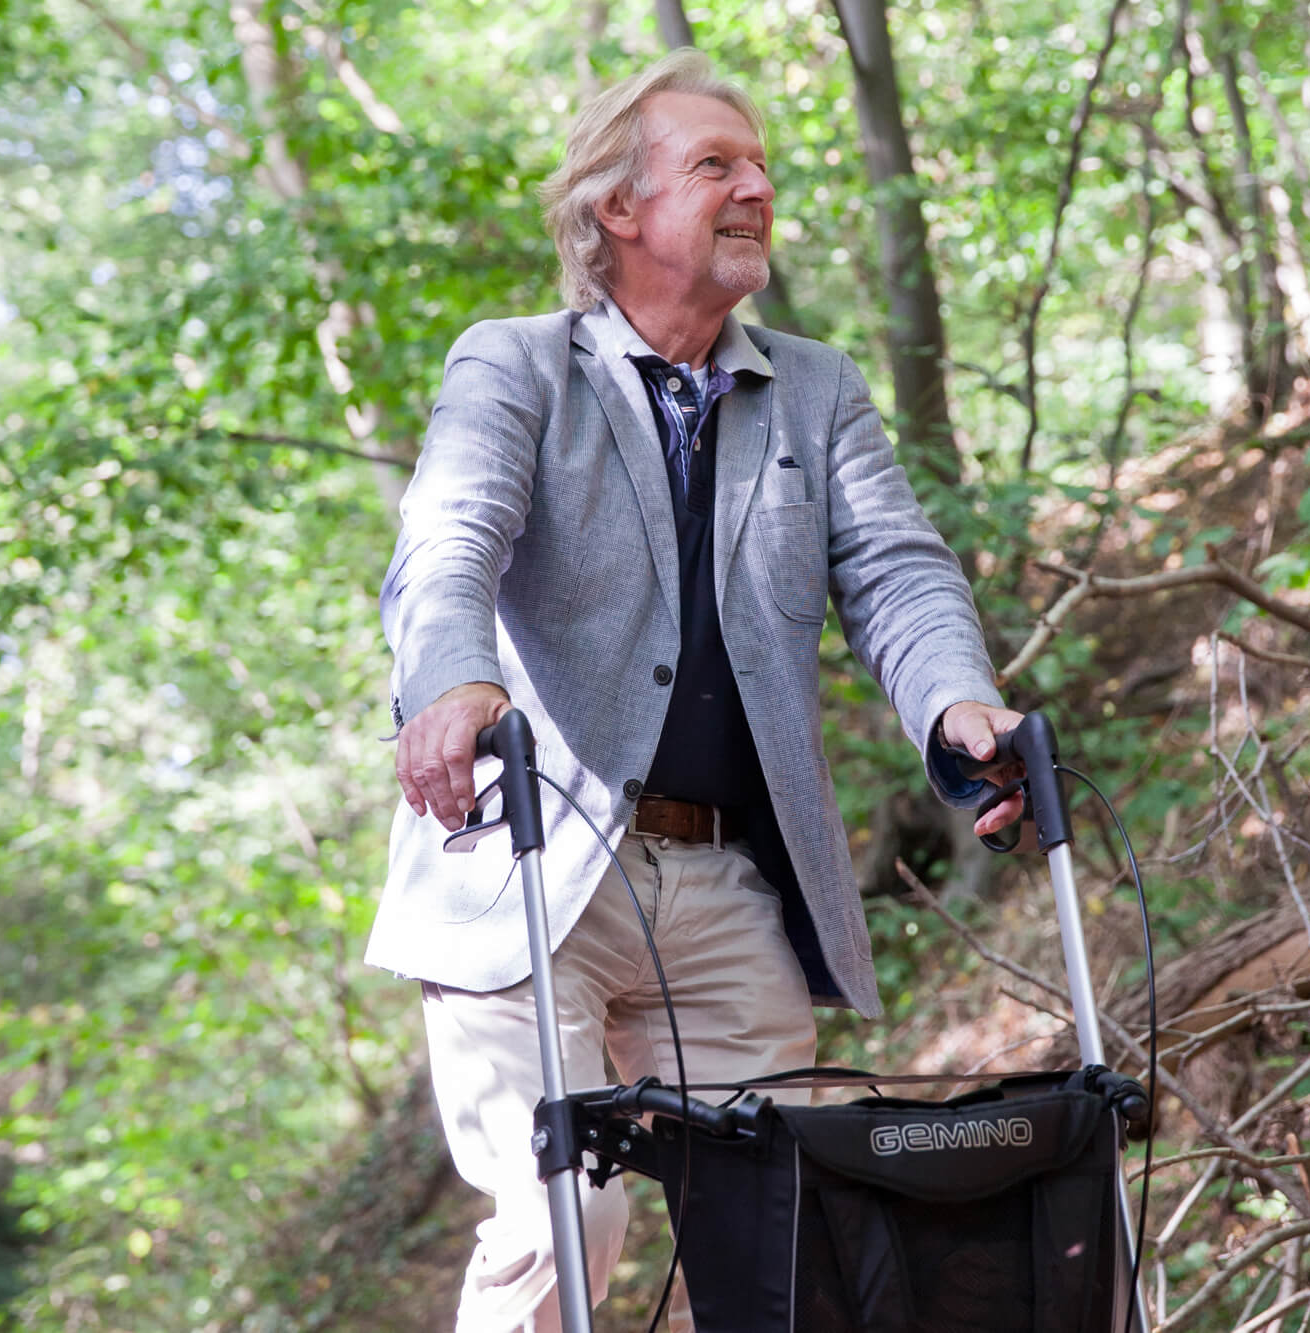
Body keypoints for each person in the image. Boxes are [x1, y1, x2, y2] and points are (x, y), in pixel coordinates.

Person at [365, 49, 1024, 1333]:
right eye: (715, 164)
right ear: (617, 207)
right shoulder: (516, 366)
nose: (756, 188)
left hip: (726, 881)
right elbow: (446, 545)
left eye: (761, 164)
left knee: (788, 1234)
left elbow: (896, 572)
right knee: (564, 1215)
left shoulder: (817, 391)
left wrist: (959, 707)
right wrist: (452, 681)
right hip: (528, 859)